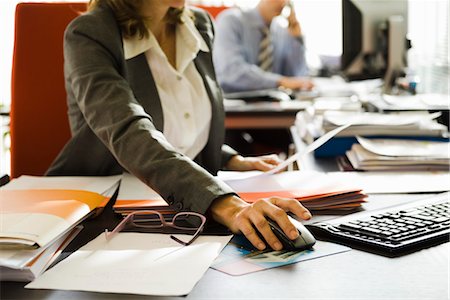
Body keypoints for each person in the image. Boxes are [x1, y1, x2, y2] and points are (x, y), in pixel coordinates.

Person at [46, 0, 312, 251]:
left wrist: (230, 159)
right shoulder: (90, 33)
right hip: (104, 218)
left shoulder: (199, 24)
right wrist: (225, 203)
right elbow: (127, 131)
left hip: (177, 211)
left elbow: (183, 121)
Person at [213, 0, 314, 93]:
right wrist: (280, 82)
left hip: (272, 104)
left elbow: (296, 76)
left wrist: (297, 39)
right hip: (235, 103)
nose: (282, 3)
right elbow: (231, 72)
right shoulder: (231, 21)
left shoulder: (281, 32)